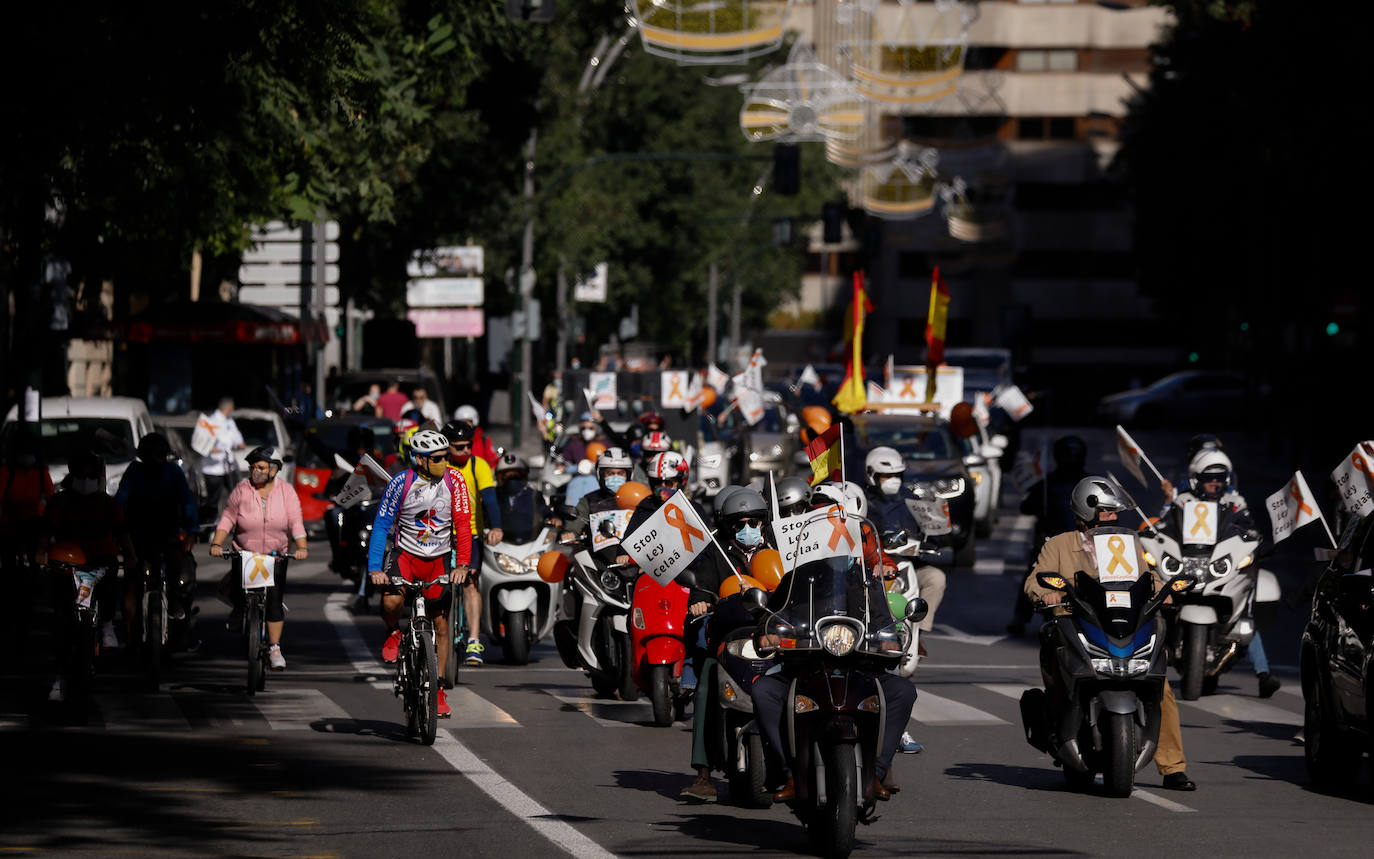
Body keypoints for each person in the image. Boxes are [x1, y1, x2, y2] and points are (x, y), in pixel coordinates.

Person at [1024, 475, 1197, 791]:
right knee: (1062, 680)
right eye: (1106, 511)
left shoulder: (1128, 544)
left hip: (1123, 627)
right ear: (1085, 510)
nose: (1112, 517)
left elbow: (1149, 576)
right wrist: (1046, 594)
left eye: (1114, 512)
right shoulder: (1059, 544)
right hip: (1076, 627)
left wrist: (1164, 591)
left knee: (1160, 687)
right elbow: (1035, 581)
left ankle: (1173, 767)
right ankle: (1059, 735)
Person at [749, 483, 917, 803]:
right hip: (806, 668)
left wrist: (890, 641)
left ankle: (877, 772)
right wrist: (770, 634)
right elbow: (774, 615)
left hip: (858, 668)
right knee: (764, 691)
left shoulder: (866, 582)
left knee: (902, 691)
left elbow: (883, 621)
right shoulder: (796, 579)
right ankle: (788, 773)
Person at [367, 429, 472, 718]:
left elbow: (463, 524)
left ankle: (438, 688)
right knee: (391, 601)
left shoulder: (455, 480)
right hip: (406, 556)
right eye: (437, 458)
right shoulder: (401, 483)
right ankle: (393, 632)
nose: (444, 462)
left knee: (441, 624)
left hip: (439, 559)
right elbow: (382, 525)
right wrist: (375, 568)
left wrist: (462, 564)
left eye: (445, 457)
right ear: (420, 459)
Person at [680, 485, 774, 802]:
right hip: (730, 638)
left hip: (776, 638)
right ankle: (704, 775)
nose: (748, 529)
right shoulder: (716, 553)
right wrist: (699, 601)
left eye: (753, 522)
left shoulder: (779, 549)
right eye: (739, 524)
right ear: (728, 526)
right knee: (707, 682)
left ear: (763, 522)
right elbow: (702, 586)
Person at [1164, 446, 1280, 698]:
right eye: (1209, 478)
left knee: (1243, 612)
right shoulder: (1183, 501)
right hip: (1189, 566)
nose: (1215, 482)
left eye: (1220, 477)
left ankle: (1263, 673)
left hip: (1220, 567)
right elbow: (1165, 525)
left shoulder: (1235, 503)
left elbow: (1249, 528)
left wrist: (1254, 540)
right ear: (1197, 479)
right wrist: (1162, 516)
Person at [37, 452, 139, 701]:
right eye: (81, 475)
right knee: (61, 621)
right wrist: (41, 553)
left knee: (110, 581)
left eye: (90, 475)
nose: (85, 480)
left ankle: (106, 623)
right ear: (73, 476)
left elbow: (123, 533)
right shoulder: (59, 502)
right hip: (66, 563)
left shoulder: (108, 504)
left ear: (97, 477)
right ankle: (60, 677)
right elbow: (46, 532)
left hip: (100, 563)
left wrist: (131, 557)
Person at [208, 446, 307, 671]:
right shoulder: (242, 489)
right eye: (253, 467)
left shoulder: (286, 491)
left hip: (276, 556)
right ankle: (239, 608)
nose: (256, 471)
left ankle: (275, 648)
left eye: (261, 467)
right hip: (245, 553)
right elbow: (227, 518)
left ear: (274, 469)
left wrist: (302, 547)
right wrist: (216, 544)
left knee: (274, 602)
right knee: (237, 590)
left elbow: (296, 521)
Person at [863, 446, 948, 654]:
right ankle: (877, 633)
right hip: (878, 567)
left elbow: (932, 532)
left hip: (911, 564)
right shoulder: (863, 502)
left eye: (897, 475)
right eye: (887, 475)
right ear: (873, 475)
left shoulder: (911, 499)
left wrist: (935, 535)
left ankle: (918, 632)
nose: (893, 480)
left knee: (936, 578)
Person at [1007, 435, 1089, 636]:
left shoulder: (1089, 484)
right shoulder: (1046, 484)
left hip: (1084, 543)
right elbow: (1026, 507)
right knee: (1034, 572)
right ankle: (1020, 617)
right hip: (1051, 542)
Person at [114, 433, 198, 625]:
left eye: (159, 455)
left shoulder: (173, 472)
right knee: (132, 581)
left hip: (167, 533)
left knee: (177, 563)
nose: (155, 460)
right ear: (143, 456)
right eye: (151, 455)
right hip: (137, 535)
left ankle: (174, 600)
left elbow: (187, 501)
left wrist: (192, 531)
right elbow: (120, 502)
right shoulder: (134, 471)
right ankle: (129, 626)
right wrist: (115, 529)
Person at [443, 420, 502, 666]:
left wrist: (496, 527)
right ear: (447, 447)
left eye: (469, 445)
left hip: (471, 533)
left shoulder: (479, 465)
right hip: (442, 535)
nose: (466, 451)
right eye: (459, 447)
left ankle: (474, 640)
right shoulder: (440, 466)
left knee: (470, 583)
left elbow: (490, 499)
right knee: (440, 585)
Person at [494, 453, 557, 544]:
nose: (512, 481)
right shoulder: (494, 496)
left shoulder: (534, 495)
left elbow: (546, 512)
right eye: (507, 476)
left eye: (516, 477)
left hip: (531, 543)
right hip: (500, 543)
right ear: (500, 478)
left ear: (523, 476)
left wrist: (555, 518)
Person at [199, 397, 245, 514]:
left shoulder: (229, 422)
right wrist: (212, 449)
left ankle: (235, 519)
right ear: (230, 408)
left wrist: (238, 445)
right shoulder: (210, 421)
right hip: (213, 469)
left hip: (228, 466)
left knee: (236, 495)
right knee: (213, 500)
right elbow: (201, 445)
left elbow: (239, 441)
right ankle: (210, 522)